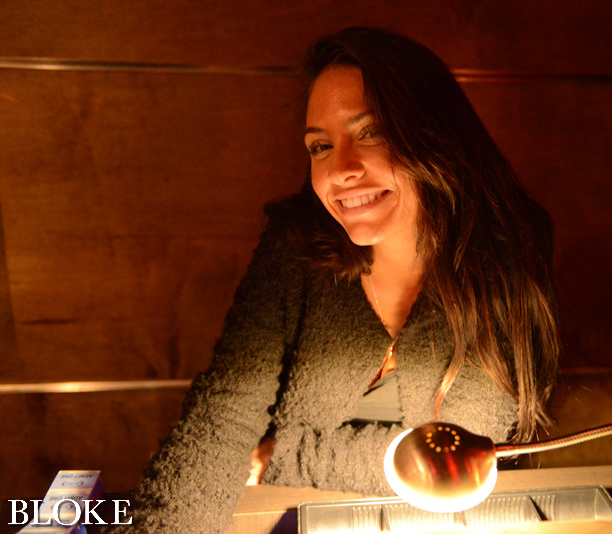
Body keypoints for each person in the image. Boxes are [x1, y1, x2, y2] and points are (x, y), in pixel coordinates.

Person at [105, 27, 559, 533]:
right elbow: (224, 415)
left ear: (433, 135)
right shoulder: (295, 244)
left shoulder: (506, 246)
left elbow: (456, 460)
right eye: (320, 146)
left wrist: (284, 453)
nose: (341, 170)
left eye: (371, 132)